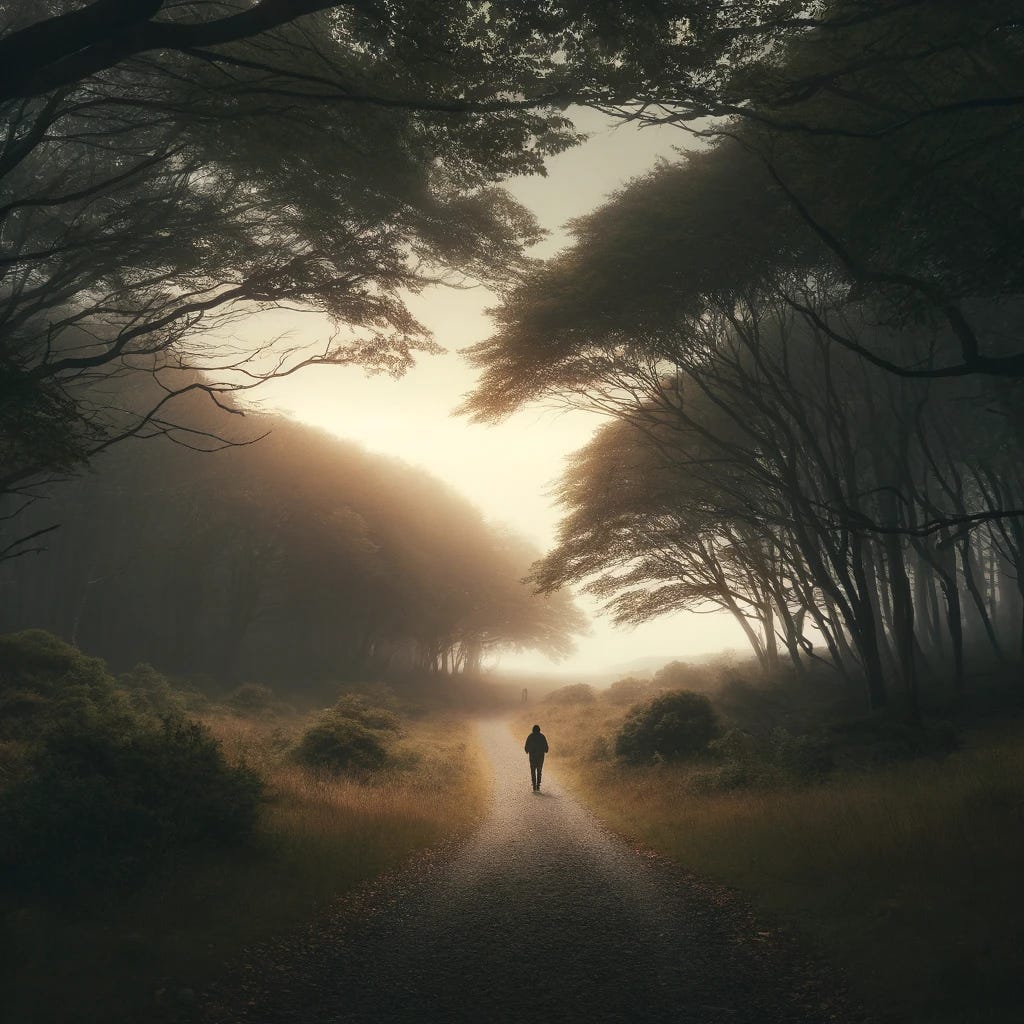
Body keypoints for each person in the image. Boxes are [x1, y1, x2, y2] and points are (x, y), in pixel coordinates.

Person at [524, 724, 549, 791]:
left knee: (533, 771)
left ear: (533, 730)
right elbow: (546, 748)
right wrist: (544, 750)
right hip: (540, 757)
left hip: (532, 757)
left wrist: (527, 750)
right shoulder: (542, 737)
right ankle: (538, 785)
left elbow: (526, 746)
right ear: (539, 730)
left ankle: (534, 786)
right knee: (539, 770)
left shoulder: (530, 736)